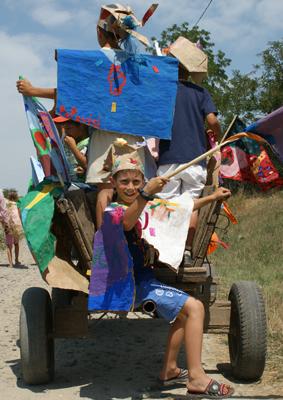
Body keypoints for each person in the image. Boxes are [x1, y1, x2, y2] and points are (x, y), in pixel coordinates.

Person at [92, 146, 234, 399]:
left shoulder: (145, 204)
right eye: (124, 181)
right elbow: (127, 221)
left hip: (144, 279)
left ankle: (169, 369)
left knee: (180, 315)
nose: (130, 187)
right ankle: (197, 377)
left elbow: (177, 210)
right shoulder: (113, 211)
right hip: (130, 285)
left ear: (142, 181)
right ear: (113, 182)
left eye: (136, 181)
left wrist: (211, 198)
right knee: (195, 308)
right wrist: (145, 194)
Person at [155, 36, 222, 257]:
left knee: (166, 204)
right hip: (195, 160)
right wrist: (218, 138)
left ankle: (163, 250)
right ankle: (185, 249)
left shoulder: (163, 91)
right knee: (190, 205)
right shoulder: (201, 93)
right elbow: (212, 121)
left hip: (168, 158)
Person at [53, 115, 89, 182]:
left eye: (69, 129)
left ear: (81, 126)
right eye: (65, 129)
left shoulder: (89, 142)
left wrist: (73, 147)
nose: (66, 133)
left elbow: (87, 165)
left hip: (81, 185)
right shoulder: (66, 139)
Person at [4, 190, 23, 267]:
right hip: (16, 226)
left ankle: (10, 263)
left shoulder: (5, 204)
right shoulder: (17, 204)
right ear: (15, 197)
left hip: (8, 226)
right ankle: (17, 260)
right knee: (16, 244)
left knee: (9, 246)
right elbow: (19, 215)